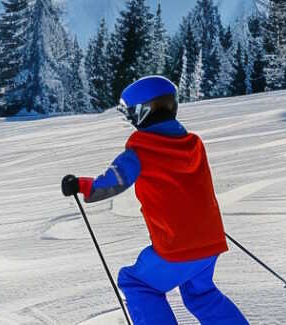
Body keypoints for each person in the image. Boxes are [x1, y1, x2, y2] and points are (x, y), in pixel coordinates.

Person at [60, 76, 247, 324]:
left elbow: (112, 182)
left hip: (176, 248)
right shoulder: (194, 145)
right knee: (201, 294)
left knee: (137, 284)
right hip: (210, 243)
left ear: (142, 112)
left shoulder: (141, 151)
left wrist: (81, 186)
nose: (130, 120)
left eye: (130, 114)